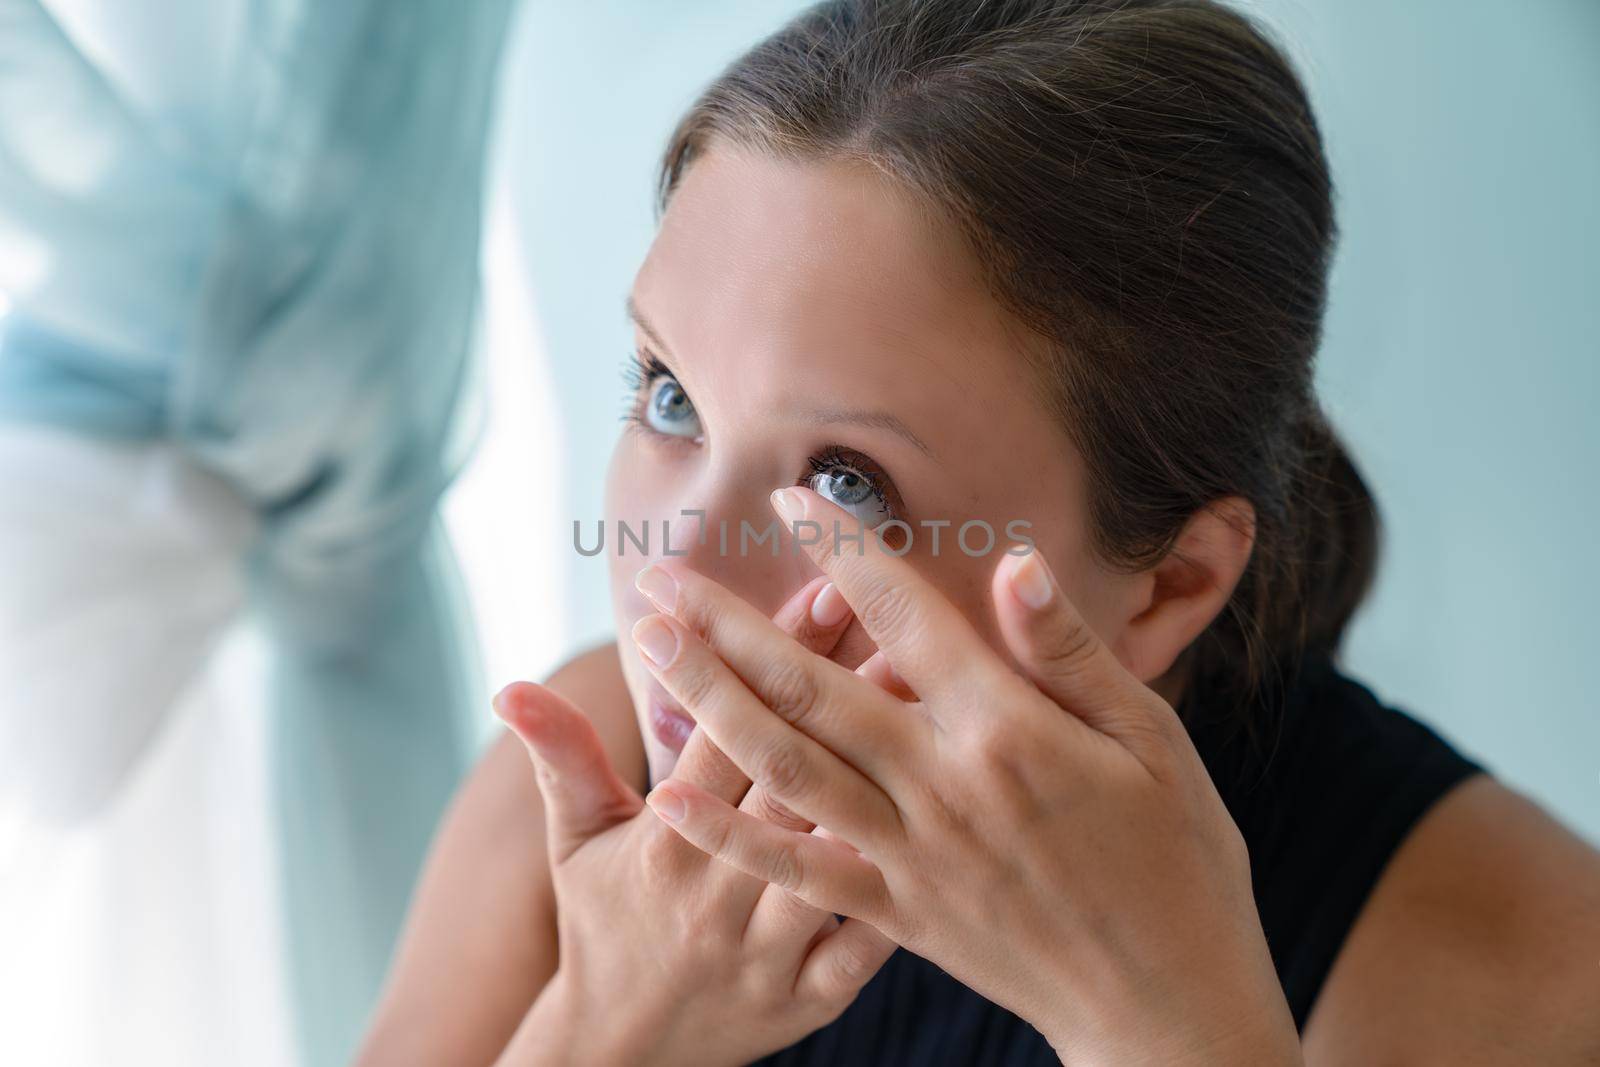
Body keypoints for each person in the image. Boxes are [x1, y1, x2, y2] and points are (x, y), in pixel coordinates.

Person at [355, 1, 1600, 1063]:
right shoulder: (584, 777)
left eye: (845, 484)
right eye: (672, 393)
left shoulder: (1519, 956)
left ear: (1168, 582)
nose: (669, 578)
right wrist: (601, 1026)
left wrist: (1172, 1029)